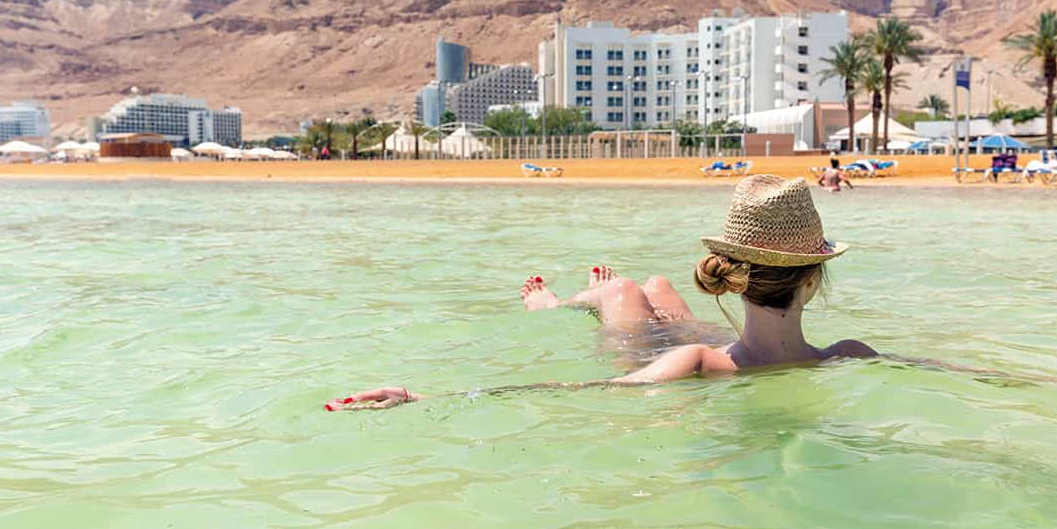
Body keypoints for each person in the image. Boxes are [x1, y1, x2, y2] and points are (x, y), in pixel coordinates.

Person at [325, 175, 877, 410]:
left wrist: (426, 399)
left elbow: (577, 389)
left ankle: (565, 301)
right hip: (711, 339)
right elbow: (945, 373)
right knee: (651, 288)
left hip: (694, 347)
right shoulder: (851, 354)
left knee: (627, 289)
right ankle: (567, 300)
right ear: (812, 279)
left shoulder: (694, 362)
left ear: (732, 281)